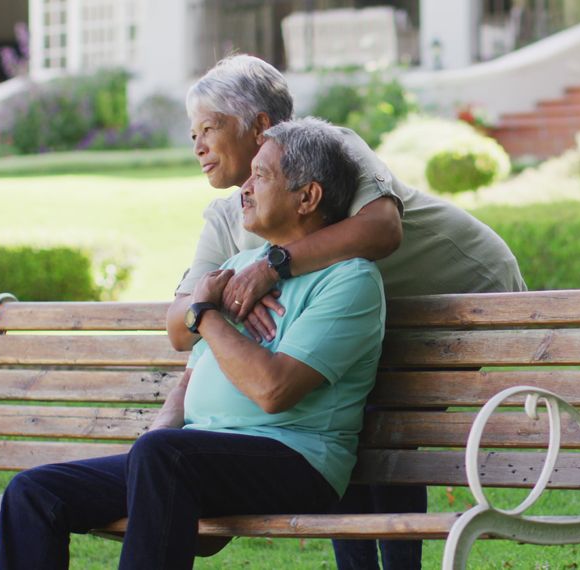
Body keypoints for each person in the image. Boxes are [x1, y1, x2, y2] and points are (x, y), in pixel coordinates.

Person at [163, 55, 527, 570]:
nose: (196, 145)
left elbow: (381, 231)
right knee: (338, 410)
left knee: (376, 419)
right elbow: (182, 322)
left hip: (460, 292)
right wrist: (211, 299)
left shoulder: (329, 149)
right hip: (373, 309)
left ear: (261, 126)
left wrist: (272, 266)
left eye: (209, 128)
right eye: (191, 131)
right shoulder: (226, 215)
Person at [0, 118, 384, 570]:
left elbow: (274, 390)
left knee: (166, 457)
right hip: (189, 457)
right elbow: (190, 379)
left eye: (261, 176)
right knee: (34, 493)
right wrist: (153, 438)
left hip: (296, 459)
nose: (245, 189)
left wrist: (205, 314)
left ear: (308, 197)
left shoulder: (350, 280)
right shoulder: (241, 265)